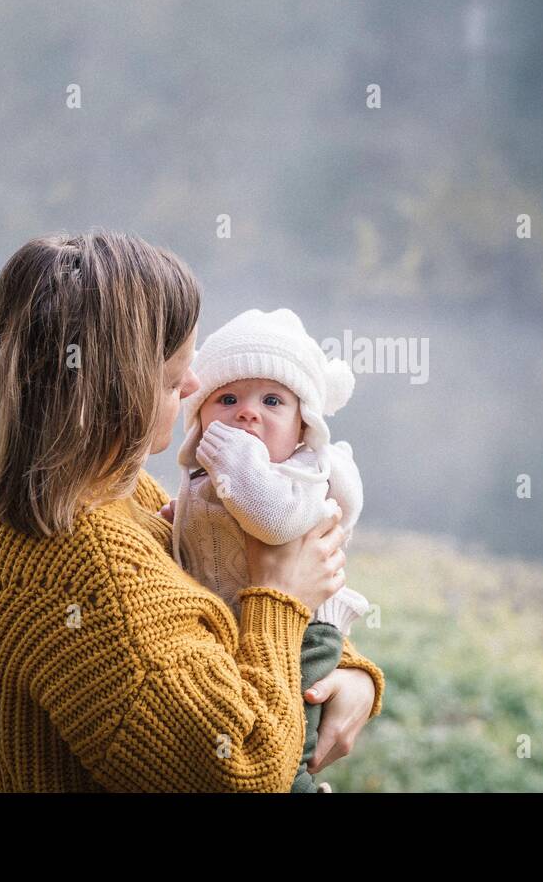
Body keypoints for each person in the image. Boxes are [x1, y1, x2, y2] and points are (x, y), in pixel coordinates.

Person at [0, 229, 384, 792]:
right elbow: (246, 769)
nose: (197, 385)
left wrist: (348, 670)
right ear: (109, 388)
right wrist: (282, 600)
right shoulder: (89, 569)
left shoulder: (99, 492)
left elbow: (215, 595)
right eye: (176, 377)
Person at [167, 307, 372, 792]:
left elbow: (275, 524)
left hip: (302, 637)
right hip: (243, 629)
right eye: (229, 398)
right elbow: (212, 526)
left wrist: (237, 463)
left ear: (304, 426)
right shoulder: (213, 477)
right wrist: (178, 520)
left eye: (273, 401)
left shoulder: (297, 475)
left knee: (287, 752)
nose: (247, 412)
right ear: (199, 417)